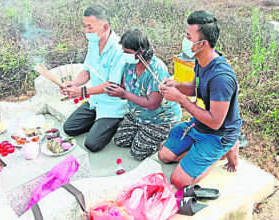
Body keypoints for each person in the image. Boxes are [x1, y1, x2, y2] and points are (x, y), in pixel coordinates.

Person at [158, 10, 242, 189]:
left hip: (217, 133)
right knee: (164, 156)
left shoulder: (221, 78)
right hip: (199, 124)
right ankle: (200, 153)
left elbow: (215, 122)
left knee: (179, 181)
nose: (185, 40)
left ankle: (227, 147)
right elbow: (196, 88)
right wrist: (176, 84)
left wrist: (181, 99)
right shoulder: (200, 59)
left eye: (188, 37)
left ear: (202, 43)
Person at [106, 29, 182, 160]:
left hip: (159, 119)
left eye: (127, 52)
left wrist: (124, 94)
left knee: (138, 153)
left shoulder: (157, 70)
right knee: (120, 140)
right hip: (138, 115)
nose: (124, 54)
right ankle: (144, 131)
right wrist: (116, 91)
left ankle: (166, 135)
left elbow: (152, 104)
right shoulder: (129, 64)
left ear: (140, 52)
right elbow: (124, 87)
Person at [61, 5, 127, 152]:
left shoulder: (118, 49)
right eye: (85, 27)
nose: (86, 31)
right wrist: (73, 83)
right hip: (96, 101)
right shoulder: (93, 43)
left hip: (113, 105)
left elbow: (112, 85)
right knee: (69, 128)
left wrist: (82, 92)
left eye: (90, 27)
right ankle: (99, 122)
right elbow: (87, 70)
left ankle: (118, 121)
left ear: (105, 26)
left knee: (92, 144)